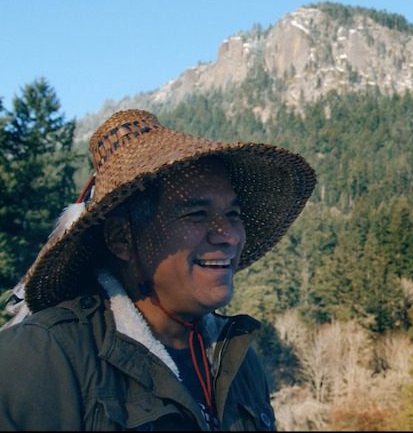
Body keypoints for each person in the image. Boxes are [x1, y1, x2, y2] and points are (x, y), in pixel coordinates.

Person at [0, 109, 316, 430]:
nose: (230, 235)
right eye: (196, 214)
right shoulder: (44, 359)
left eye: (233, 214)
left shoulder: (237, 361)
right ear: (122, 237)